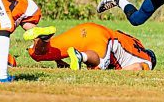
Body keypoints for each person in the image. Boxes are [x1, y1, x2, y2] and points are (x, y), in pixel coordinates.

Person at [24, 22, 156, 71]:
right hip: (105, 39)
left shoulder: (137, 42)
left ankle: (45, 38)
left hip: (89, 29)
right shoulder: (147, 61)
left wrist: (59, 60)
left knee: (39, 54)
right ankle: (80, 55)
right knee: (99, 64)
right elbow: (137, 68)